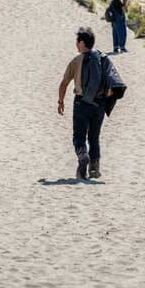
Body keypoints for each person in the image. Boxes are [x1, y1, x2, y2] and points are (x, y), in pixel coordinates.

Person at [58, 27, 127, 179]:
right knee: (94, 137)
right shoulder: (102, 58)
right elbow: (113, 80)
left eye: (77, 42)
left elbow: (64, 83)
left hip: (81, 103)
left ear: (82, 43)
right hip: (99, 104)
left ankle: (83, 156)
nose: (76, 45)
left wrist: (60, 101)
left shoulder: (76, 61)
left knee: (79, 136)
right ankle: (94, 167)